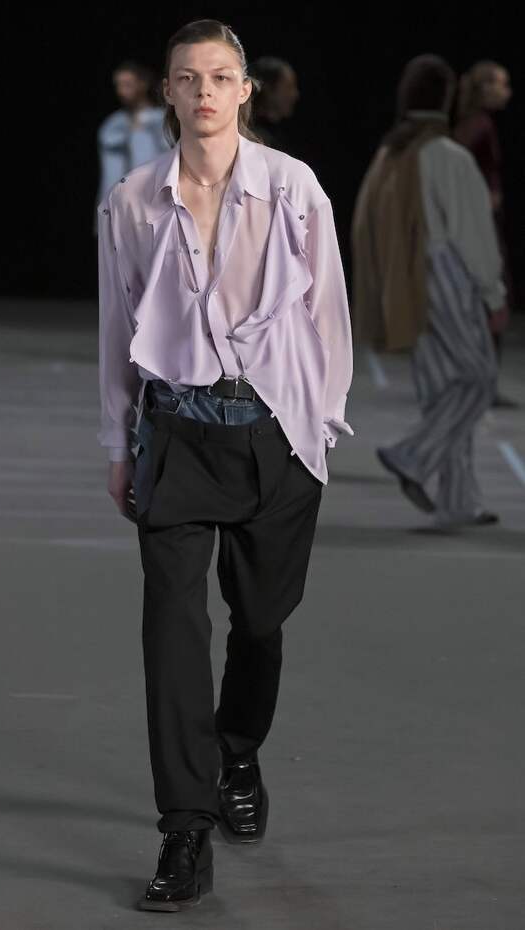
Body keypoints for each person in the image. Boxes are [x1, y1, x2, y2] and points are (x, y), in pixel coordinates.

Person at [96, 18, 353, 911]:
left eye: (219, 76)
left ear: (245, 91)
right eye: (186, 76)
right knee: (171, 631)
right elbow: (116, 331)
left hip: (275, 435)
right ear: (167, 92)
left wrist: (319, 433)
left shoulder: (293, 187)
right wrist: (117, 444)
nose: (203, 89)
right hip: (174, 434)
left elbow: (328, 317)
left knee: (260, 620)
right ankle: (184, 829)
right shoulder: (133, 201)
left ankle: (237, 750)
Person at [351, 54, 505, 528]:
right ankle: (413, 454)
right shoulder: (446, 156)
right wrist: (493, 292)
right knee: (478, 379)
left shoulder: (391, 152)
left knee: (443, 392)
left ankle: (458, 501)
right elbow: (473, 233)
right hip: (445, 274)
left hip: (403, 279)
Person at [454, 60, 517, 408]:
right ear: (484, 88)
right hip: (480, 229)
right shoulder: (480, 127)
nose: (507, 92)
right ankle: (482, 385)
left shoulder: (468, 126)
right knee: (491, 303)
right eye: (501, 84)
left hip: (469, 228)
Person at [94, 60, 169, 233]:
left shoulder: (161, 120)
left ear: (142, 84)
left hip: (153, 208)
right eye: (118, 85)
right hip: (116, 210)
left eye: (127, 84)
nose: (121, 91)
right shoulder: (113, 124)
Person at [248, 56, 300, 153]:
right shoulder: (251, 137)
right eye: (288, 87)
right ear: (267, 87)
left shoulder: (280, 137)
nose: (295, 94)